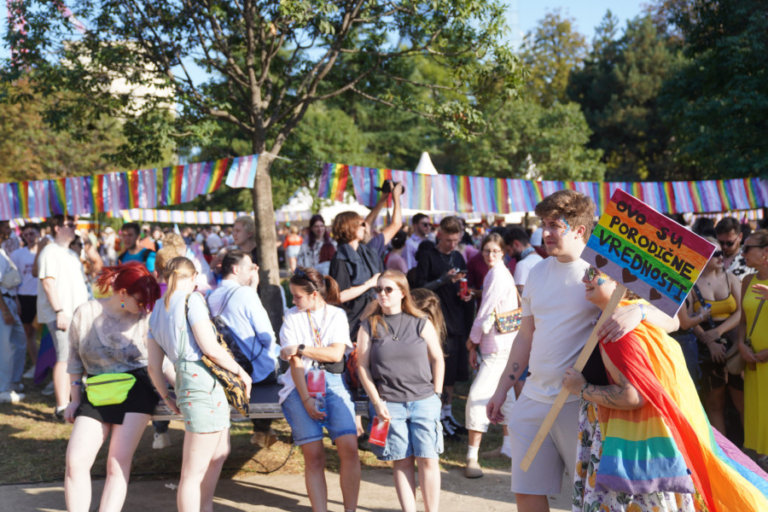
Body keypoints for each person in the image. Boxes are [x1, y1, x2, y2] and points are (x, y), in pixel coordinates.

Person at [485, 190, 679, 512]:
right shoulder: (535, 272)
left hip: (582, 405)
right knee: (527, 492)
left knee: (589, 500)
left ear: (579, 230)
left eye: (554, 225)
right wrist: (502, 388)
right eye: (543, 223)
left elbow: (672, 320)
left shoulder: (604, 272)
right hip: (532, 398)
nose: (544, 232)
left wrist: (640, 312)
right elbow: (525, 336)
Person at [563, 265, 768, 512]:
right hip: (647, 440)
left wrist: (581, 389)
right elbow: (672, 320)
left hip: (627, 448)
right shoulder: (629, 316)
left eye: (595, 273)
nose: (586, 278)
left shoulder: (617, 328)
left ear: (619, 283)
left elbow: (632, 395)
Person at [146, 256, 252, 512]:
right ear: (193, 277)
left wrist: (166, 397)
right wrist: (240, 371)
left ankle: (206, 508)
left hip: (188, 384)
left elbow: (153, 365)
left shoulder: (156, 310)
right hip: (202, 384)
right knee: (192, 473)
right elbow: (209, 347)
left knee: (219, 452)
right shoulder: (192, 299)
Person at [63, 263, 161, 512]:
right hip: (96, 389)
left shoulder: (145, 317)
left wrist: (172, 394)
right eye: (140, 300)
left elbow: (159, 361)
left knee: (116, 464)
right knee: (75, 462)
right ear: (122, 293)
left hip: (137, 388)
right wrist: (74, 398)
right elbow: (73, 359)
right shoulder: (85, 313)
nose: (144, 306)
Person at [357, 270, 445, 512]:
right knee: (401, 461)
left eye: (388, 289)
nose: (382, 294)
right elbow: (362, 366)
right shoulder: (368, 326)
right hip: (389, 405)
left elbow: (438, 358)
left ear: (402, 293)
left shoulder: (420, 322)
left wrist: (436, 395)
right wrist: (376, 402)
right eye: (378, 290)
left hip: (424, 401)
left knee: (429, 459)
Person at [278, 267, 360, 512]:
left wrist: (300, 347)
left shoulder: (336, 315)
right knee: (313, 454)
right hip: (299, 384)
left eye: (297, 296)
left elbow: (335, 353)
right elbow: (294, 364)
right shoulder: (291, 317)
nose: (293, 301)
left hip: (332, 381)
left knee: (350, 447)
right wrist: (306, 400)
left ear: (314, 294)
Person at [207, 250, 278, 448]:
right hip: (259, 373)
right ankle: (263, 429)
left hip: (230, 370)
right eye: (250, 268)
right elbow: (266, 335)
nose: (253, 272)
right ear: (236, 268)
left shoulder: (212, 296)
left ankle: (263, 431)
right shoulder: (245, 294)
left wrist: (252, 286)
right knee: (281, 358)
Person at [464, 233, 519, 478]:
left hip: (497, 344)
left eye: (495, 251)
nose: (490, 255)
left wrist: (472, 341)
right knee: (506, 398)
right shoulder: (500, 272)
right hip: (503, 342)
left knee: (477, 396)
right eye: (487, 250)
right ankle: (507, 448)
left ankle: (471, 456)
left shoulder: (497, 273)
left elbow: (485, 310)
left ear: (503, 251)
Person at [414, 216, 474, 438]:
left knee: (453, 373)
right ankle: (437, 416)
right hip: (437, 322)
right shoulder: (429, 256)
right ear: (440, 235)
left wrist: (466, 295)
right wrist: (443, 280)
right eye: (448, 240)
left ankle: (447, 414)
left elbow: (464, 282)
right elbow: (420, 289)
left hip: (457, 318)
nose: (452, 244)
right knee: (440, 370)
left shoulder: (458, 255)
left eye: (456, 240)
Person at [681, 237, 743, 437]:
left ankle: (753, 453)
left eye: (721, 252)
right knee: (714, 403)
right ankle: (724, 455)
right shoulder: (689, 283)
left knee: (742, 402)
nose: (720, 255)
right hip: (704, 347)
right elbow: (687, 318)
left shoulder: (730, 278)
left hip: (734, 344)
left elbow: (742, 312)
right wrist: (709, 340)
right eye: (714, 253)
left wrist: (719, 332)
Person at [37, 215, 90, 419]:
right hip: (62, 314)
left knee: (75, 358)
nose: (74, 228)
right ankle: (61, 407)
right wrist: (59, 311)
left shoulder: (70, 253)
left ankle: (72, 399)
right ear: (57, 228)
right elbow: (48, 283)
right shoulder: (50, 250)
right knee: (64, 357)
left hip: (75, 314)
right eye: (69, 225)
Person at [738, 229, 768, 466]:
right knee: (758, 417)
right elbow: (743, 322)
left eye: (747, 248)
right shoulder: (747, 280)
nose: (742, 252)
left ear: (765, 252)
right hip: (754, 363)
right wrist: (740, 345)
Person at [329, 212, 383, 340]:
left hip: (370, 314)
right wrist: (369, 284)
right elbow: (339, 296)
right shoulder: (340, 258)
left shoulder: (365, 252)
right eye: (361, 224)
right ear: (350, 227)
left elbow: (395, 225)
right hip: (352, 319)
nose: (365, 227)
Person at [0, 221, 26, 403]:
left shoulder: (2, 251)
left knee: (19, 341)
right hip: (3, 305)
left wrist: (14, 301)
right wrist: (5, 311)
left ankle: (13, 382)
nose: (9, 228)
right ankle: (3, 389)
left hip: (9, 300)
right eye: (5, 225)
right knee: (5, 348)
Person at [11, 223, 41, 379]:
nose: (30, 237)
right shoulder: (17, 254)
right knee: (29, 332)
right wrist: (16, 299)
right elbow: (14, 279)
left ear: (39, 233)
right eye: (26, 234)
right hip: (25, 297)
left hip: (43, 297)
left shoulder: (46, 253)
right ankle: (36, 365)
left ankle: (49, 364)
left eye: (32, 233)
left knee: (47, 334)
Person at [504, 226, 543, 294]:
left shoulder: (523, 264)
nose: (509, 255)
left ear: (516, 244)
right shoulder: (540, 259)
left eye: (508, 250)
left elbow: (520, 297)